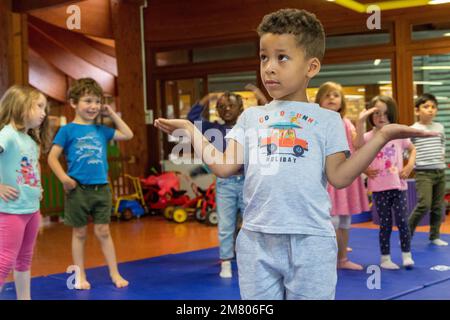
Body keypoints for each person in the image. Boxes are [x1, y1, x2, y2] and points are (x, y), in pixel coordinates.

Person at [154, 8, 434, 299]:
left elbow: (340, 176)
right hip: (256, 239)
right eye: (264, 57)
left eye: (282, 57)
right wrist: (190, 129)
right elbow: (224, 167)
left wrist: (383, 136)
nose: (269, 67)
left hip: (311, 239)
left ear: (311, 67)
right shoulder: (251, 117)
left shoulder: (327, 120)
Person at [47, 78, 133, 290]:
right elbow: (52, 157)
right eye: (87, 101)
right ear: (74, 103)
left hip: (101, 188)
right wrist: (64, 179)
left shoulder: (101, 130)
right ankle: (80, 275)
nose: (93, 106)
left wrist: (111, 113)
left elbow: (128, 134)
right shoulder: (67, 131)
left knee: (103, 231)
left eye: (96, 101)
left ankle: (115, 273)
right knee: (80, 232)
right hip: (78, 190)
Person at [0, 85, 51, 299]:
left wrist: (37, 187)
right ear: (21, 105)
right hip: (11, 211)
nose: (44, 113)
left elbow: (31, 166)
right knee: (4, 260)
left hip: (31, 210)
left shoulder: (30, 139)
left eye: (45, 108)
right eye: (39, 106)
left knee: (24, 258)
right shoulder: (7, 135)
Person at [187, 91, 245, 278]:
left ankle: (249, 258)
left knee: (251, 223)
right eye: (221, 106)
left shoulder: (248, 128)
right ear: (217, 111)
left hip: (247, 181)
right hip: (225, 182)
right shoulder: (212, 128)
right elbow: (191, 118)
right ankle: (226, 261)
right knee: (226, 224)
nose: (226, 109)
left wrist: (259, 95)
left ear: (241, 108)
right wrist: (207, 97)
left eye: (231, 105)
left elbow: (269, 119)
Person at [355, 95, 415, 269]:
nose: (381, 117)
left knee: (403, 221)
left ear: (392, 114)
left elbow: (412, 149)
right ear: (371, 115)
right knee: (385, 224)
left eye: (386, 113)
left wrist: (410, 165)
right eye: (377, 113)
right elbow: (357, 148)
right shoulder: (367, 136)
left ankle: (406, 255)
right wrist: (360, 121)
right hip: (379, 188)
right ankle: (385, 258)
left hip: (398, 186)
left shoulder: (397, 134)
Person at [315, 81, 369, 270]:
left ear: (342, 101)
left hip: (344, 176)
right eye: (327, 95)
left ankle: (342, 257)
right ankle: (331, 258)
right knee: (330, 220)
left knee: (344, 219)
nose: (331, 98)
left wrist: (361, 122)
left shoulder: (345, 122)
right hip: (325, 178)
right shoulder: (316, 122)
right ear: (319, 100)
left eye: (336, 95)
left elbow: (358, 144)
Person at [408, 93, 448, 246]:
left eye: (433, 107)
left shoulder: (439, 127)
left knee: (438, 206)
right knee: (425, 204)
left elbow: (442, 143)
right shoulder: (413, 129)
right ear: (417, 111)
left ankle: (434, 236)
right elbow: (407, 149)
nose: (430, 110)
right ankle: (407, 233)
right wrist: (413, 161)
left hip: (440, 171)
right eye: (426, 107)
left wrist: (442, 154)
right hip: (423, 172)